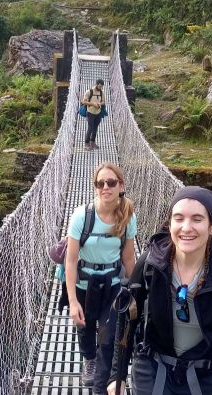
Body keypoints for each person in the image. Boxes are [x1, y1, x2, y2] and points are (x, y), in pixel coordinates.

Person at [107, 186, 212, 395]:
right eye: (179, 218)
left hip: (202, 377)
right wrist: (117, 376)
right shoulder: (150, 265)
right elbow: (128, 321)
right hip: (152, 370)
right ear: (170, 224)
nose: (186, 227)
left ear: (211, 226)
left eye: (197, 219)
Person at [66, 162, 137, 393]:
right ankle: (89, 360)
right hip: (84, 283)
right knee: (85, 328)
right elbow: (70, 259)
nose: (105, 187)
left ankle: (102, 382)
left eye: (111, 182)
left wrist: (135, 292)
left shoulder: (127, 216)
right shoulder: (81, 216)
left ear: (121, 185)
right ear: (95, 187)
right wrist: (73, 302)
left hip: (113, 284)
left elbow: (128, 257)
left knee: (108, 339)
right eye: (100, 183)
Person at [82, 79, 105, 150]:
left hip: (98, 113)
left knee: (95, 128)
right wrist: (93, 104)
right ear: (96, 84)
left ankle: (92, 142)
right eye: (100, 86)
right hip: (90, 113)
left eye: (102, 87)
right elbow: (83, 102)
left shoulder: (101, 92)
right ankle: (86, 143)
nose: (101, 88)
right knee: (90, 128)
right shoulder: (89, 92)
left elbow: (104, 102)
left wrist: (100, 104)